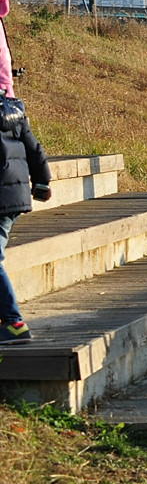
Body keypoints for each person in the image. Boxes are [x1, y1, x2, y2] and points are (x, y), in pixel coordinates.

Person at [0, 97, 52, 345]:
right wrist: (42, 183)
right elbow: (34, 149)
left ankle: (15, 323)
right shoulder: (13, 111)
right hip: (15, 197)